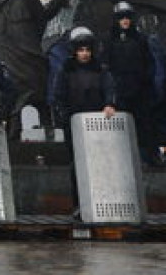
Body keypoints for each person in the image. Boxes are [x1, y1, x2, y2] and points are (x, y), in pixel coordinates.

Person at [50, 27, 117, 211]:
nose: (85, 54)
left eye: (87, 50)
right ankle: (80, 203)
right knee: (77, 166)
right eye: (81, 50)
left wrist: (109, 104)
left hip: (98, 124)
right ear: (74, 51)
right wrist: (64, 116)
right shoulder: (65, 71)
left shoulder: (101, 70)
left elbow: (110, 89)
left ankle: (104, 200)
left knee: (102, 163)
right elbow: (58, 96)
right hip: (75, 124)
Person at [0, 0, 50, 134]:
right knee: (11, 86)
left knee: (34, 84)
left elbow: (41, 18)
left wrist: (30, 38)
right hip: (6, 48)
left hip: (26, 46)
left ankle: (46, 123)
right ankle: (13, 126)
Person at [103, 1, 159, 164]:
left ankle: (149, 157)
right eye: (122, 18)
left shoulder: (140, 39)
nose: (125, 21)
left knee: (144, 125)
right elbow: (105, 65)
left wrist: (146, 79)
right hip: (119, 89)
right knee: (120, 125)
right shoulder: (109, 40)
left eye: (127, 18)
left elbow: (149, 62)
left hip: (140, 88)